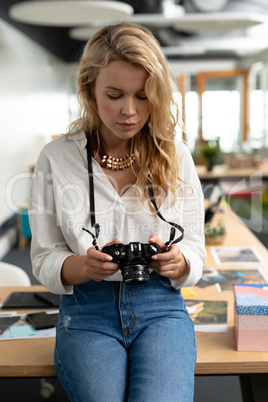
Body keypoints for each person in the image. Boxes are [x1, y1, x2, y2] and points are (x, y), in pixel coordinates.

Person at [29, 23, 206, 402]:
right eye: (114, 95)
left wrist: (179, 262)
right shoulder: (56, 159)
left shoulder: (176, 156)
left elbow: (195, 249)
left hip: (161, 306)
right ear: (90, 90)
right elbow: (44, 258)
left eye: (143, 96)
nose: (130, 111)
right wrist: (84, 267)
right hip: (87, 308)